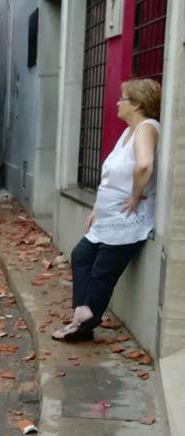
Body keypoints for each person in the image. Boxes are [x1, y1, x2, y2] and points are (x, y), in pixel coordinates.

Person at [53, 78, 161, 342]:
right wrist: (96, 210)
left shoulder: (146, 128)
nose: (117, 102)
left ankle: (84, 325)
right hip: (108, 217)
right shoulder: (129, 131)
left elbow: (144, 165)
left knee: (102, 272)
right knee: (81, 255)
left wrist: (135, 196)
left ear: (136, 104)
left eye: (122, 98)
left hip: (127, 220)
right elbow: (113, 179)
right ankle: (83, 313)